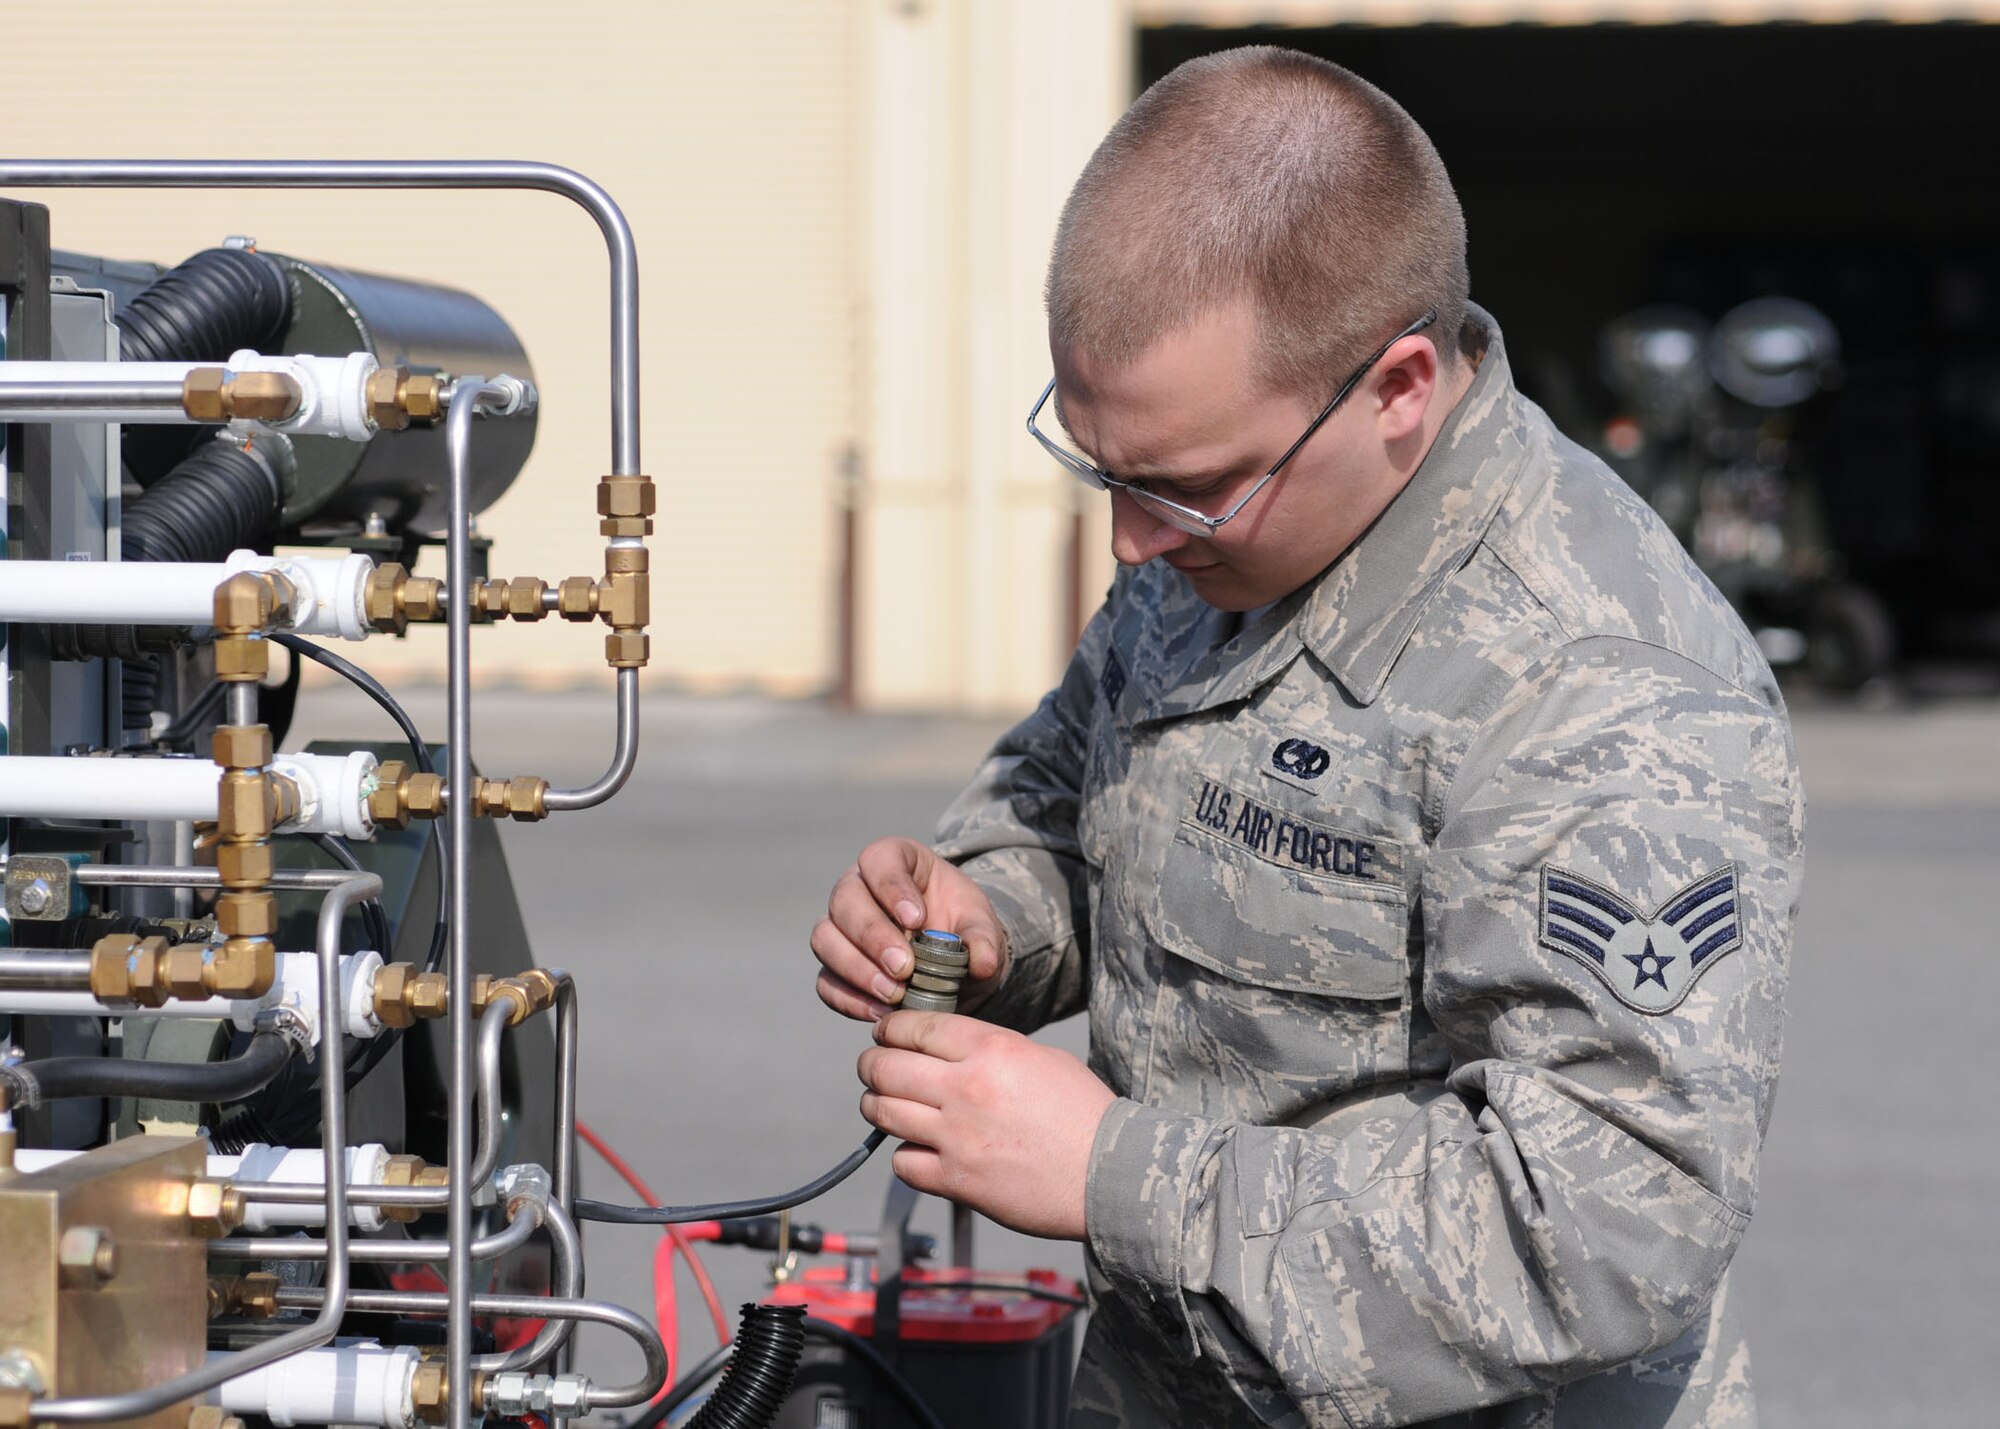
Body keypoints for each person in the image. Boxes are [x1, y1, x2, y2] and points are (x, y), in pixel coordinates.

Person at [810, 46, 1800, 1428]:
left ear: (1398, 388)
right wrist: (981, 916)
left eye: (1191, 489)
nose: (1133, 539)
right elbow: (1072, 803)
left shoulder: (1601, 687)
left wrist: (1110, 1170)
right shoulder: (1220, 540)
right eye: (1107, 472)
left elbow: (1600, 1233)